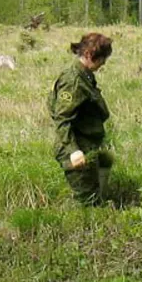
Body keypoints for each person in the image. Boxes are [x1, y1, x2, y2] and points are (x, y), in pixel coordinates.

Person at [50, 32, 114, 205]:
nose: (104, 63)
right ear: (88, 55)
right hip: (76, 148)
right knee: (88, 203)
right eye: (101, 58)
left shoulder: (85, 75)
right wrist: (73, 151)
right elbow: (62, 119)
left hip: (88, 144)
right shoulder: (73, 81)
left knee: (104, 169)